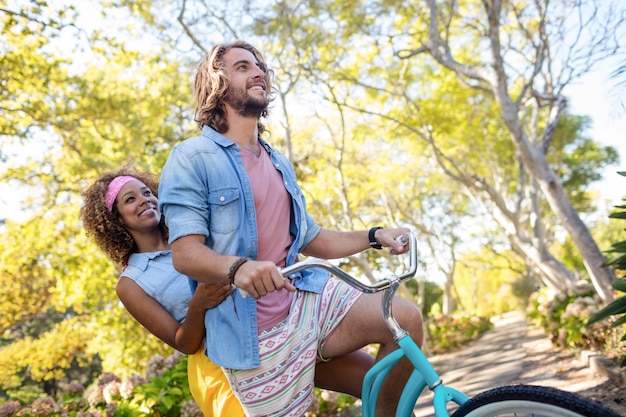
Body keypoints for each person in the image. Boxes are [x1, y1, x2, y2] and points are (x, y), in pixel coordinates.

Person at [159, 40, 424, 417]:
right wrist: (239, 268)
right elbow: (185, 254)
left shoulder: (276, 160)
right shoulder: (190, 157)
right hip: (255, 338)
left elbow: (311, 238)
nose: (257, 72)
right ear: (216, 85)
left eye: (259, 67)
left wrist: (373, 236)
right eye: (242, 67)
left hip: (307, 301)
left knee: (405, 320)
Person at [80, 168, 374, 417]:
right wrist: (199, 304)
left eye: (147, 192)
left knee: (379, 383)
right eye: (130, 199)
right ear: (115, 220)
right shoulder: (131, 283)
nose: (144, 200)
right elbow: (182, 343)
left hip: (278, 327)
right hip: (223, 366)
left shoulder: (196, 236)